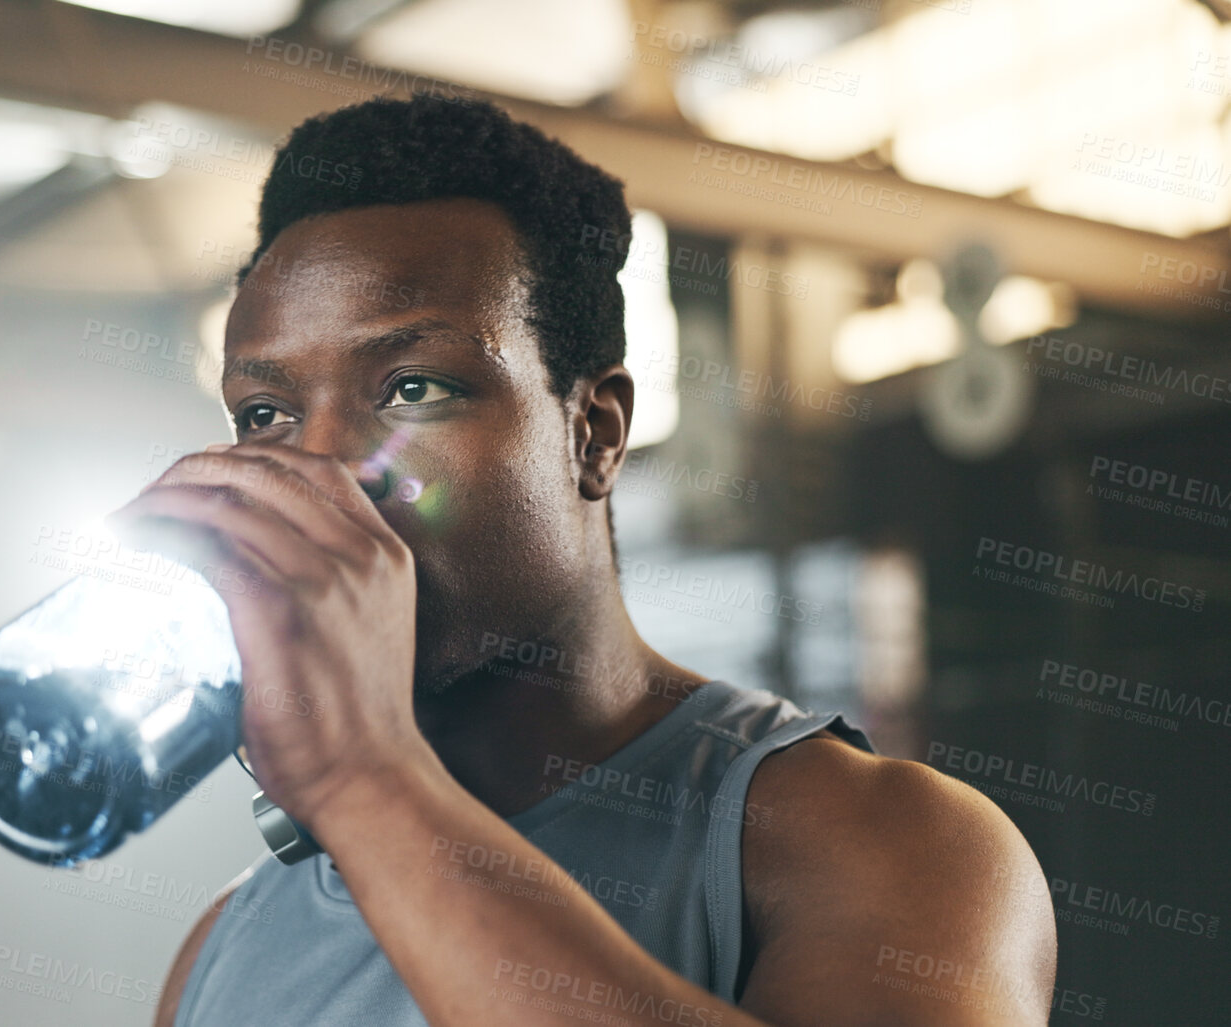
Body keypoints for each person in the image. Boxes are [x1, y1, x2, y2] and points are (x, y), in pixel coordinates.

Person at [104, 93, 1056, 1027]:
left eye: (413, 386)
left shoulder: (882, 841)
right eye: (263, 415)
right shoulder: (221, 944)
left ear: (592, 433)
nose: (323, 473)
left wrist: (365, 779)